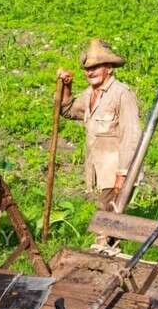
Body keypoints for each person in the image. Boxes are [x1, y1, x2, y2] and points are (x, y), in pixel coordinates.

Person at [57, 39, 141, 212]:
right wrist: (66, 87)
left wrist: (123, 174)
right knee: (107, 217)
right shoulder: (90, 94)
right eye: (88, 69)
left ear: (109, 68)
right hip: (100, 171)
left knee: (107, 217)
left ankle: (105, 240)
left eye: (95, 67)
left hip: (116, 171)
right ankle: (108, 239)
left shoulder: (122, 94)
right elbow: (68, 110)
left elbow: (131, 137)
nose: (90, 72)